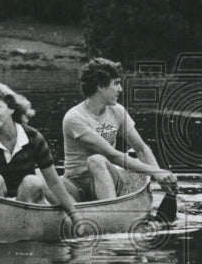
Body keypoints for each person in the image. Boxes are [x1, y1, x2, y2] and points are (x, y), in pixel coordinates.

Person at [0, 83, 77, 240]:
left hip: (28, 202)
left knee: (32, 181)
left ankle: (27, 236)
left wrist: (74, 216)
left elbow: (54, 183)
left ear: (11, 108)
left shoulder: (33, 138)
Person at [61, 58, 177, 201]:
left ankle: (110, 209)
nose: (120, 89)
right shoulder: (74, 118)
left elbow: (140, 149)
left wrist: (161, 177)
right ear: (100, 87)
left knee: (96, 161)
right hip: (76, 184)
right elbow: (112, 155)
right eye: (116, 84)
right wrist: (156, 171)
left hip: (108, 180)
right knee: (40, 176)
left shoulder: (117, 111)